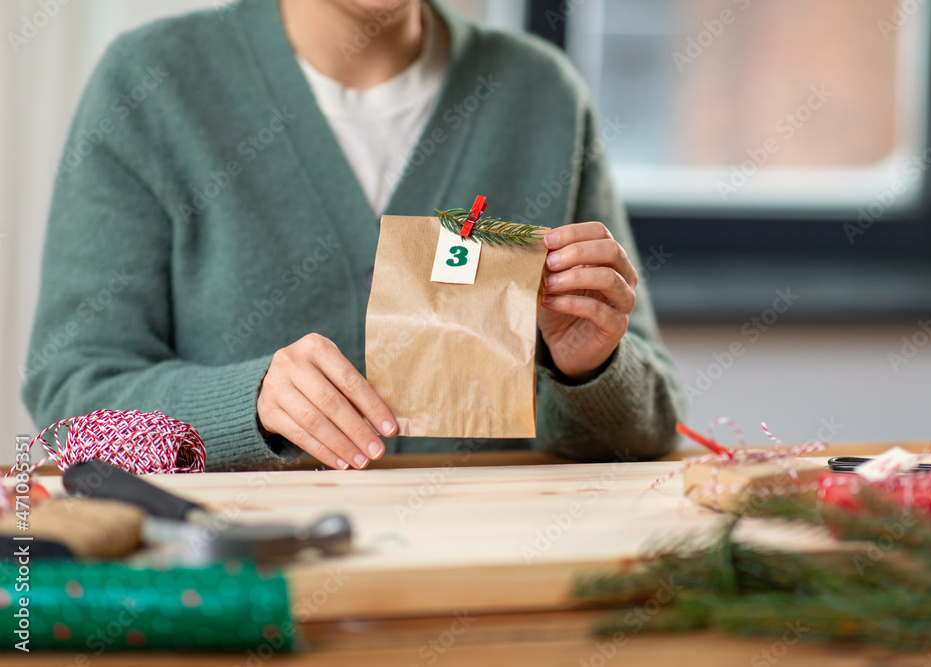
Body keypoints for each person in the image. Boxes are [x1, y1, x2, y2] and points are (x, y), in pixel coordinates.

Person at [22, 0, 684, 471]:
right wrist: (244, 406)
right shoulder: (150, 84)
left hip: (495, 590)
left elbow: (649, 424)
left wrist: (590, 366)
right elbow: (71, 408)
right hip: (245, 596)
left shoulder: (542, 94)